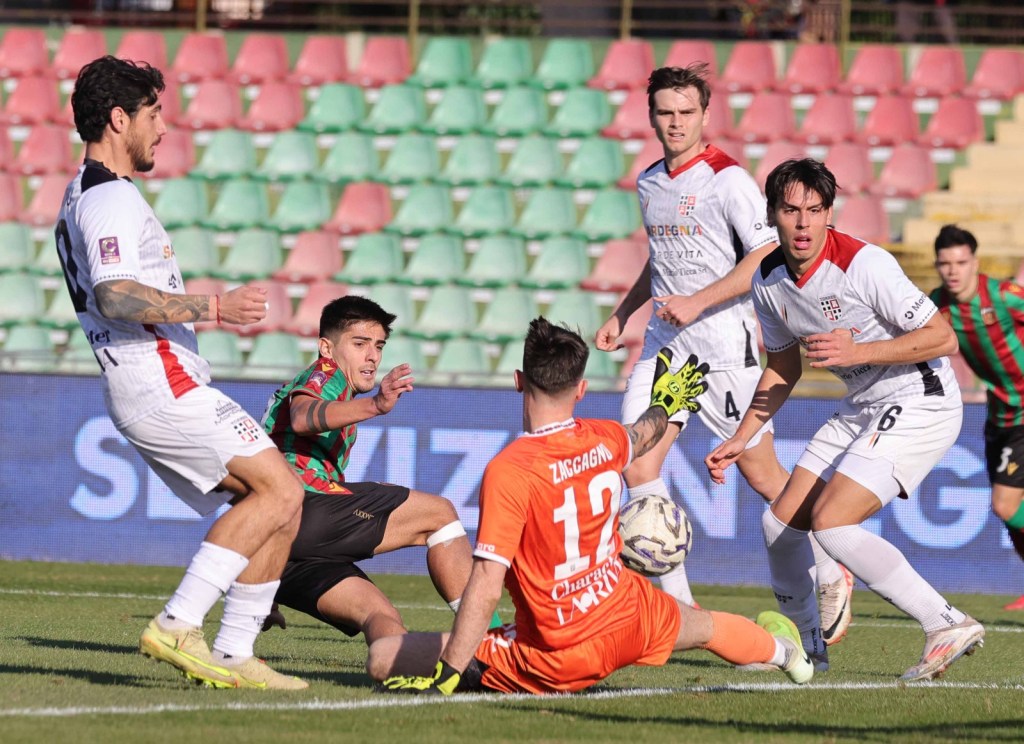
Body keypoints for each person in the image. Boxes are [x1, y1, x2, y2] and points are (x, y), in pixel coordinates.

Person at [367, 317, 815, 695]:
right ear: (580, 389)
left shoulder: (510, 469)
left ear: (519, 381)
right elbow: (643, 433)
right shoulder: (603, 438)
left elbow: (486, 582)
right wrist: (665, 403)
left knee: (383, 657)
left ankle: (474, 666)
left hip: (557, 652)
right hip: (627, 617)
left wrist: (450, 671)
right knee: (708, 628)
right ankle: (789, 655)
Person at [56, 56, 306, 689]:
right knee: (281, 491)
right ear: (119, 119)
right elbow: (115, 295)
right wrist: (215, 308)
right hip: (156, 377)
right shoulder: (108, 194)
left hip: (148, 380)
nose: (164, 128)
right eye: (154, 113)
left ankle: (232, 652)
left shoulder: (85, 190)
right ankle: (178, 622)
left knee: (277, 502)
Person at [594, 63, 853, 645]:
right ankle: (682, 611)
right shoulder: (650, 181)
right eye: (666, 112)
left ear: (705, 115)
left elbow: (764, 256)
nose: (676, 122)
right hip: (668, 352)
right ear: (652, 116)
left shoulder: (727, 180)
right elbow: (659, 261)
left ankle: (833, 565)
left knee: (764, 478)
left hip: (724, 351)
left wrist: (698, 301)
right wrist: (624, 312)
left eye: (687, 112)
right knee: (637, 464)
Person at [706, 158, 985, 680]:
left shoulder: (864, 264)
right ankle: (805, 649)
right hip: (862, 403)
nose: (804, 223)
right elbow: (784, 366)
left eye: (815, 210)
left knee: (832, 522)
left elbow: (944, 338)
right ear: (773, 216)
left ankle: (943, 622)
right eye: (791, 210)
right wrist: (742, 438)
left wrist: (863, 349)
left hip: (920, 396)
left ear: (829, 213)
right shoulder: (767, 279)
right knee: (779, 525)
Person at [260, 295, 498, 646]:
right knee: (439, 514)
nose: (372, 356)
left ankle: (408, 670)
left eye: (379, 345)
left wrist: (264, 592)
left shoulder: (337, 396)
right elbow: (302, 416)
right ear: (327, 347)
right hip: (303, 510)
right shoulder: (327, 374)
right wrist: (374, 405)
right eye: (359, 344)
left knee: (382, 619)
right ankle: (494, 641)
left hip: (279, 553)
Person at [931, 224, 1024, 611]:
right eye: (945, 263)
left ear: (976, 263)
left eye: (961, 262)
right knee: (1008, 515)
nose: (953, 270)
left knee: (1005, 505)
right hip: (999, 416)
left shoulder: (1004, 296)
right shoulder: (937, 305)